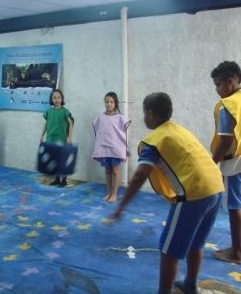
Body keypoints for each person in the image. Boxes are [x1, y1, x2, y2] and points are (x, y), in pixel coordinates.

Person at [112, 93, 223, 294]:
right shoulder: (179, 130)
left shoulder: (154, 140)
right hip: (216, 188)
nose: (144, 117)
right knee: (195, 242)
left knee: (168, 250)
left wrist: (121, 206)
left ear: (151, 114)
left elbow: (139, 177)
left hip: (194, 194)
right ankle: (190, 284)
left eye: (144, 113)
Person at [210, 61, 241, 264]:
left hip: (235, 162)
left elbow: (226, 140)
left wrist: (212, 162)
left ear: (230, 82)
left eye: (218, 85)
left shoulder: (227, 106)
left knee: (234, 206)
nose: (216, 90)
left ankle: (236, 252)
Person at [92, 92, 130, 202]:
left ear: (115, 103)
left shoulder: (120, 118)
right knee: (107, 171)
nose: (109, 104)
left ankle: (114, 194)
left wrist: (126, 150)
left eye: (111, 102)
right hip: (104, 149)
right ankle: (109, 192)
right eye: (107, 102)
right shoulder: (100, 117)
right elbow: (98, 133)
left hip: (116, 149)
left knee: (115, 171)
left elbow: (124, 135)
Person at [40, 89, 74, 187]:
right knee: (54, 159)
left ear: (62, 99)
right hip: (51, 139)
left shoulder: (65, 111)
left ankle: (64, 180)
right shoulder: (49, 111)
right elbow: (46, 124)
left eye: (59, 97)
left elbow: (70, 123)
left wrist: (69, 137)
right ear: (51, 99)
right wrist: (42, 135)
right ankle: (57, 179)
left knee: (62, 159)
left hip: (61, 139)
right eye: (54, 97)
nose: (56, 99)